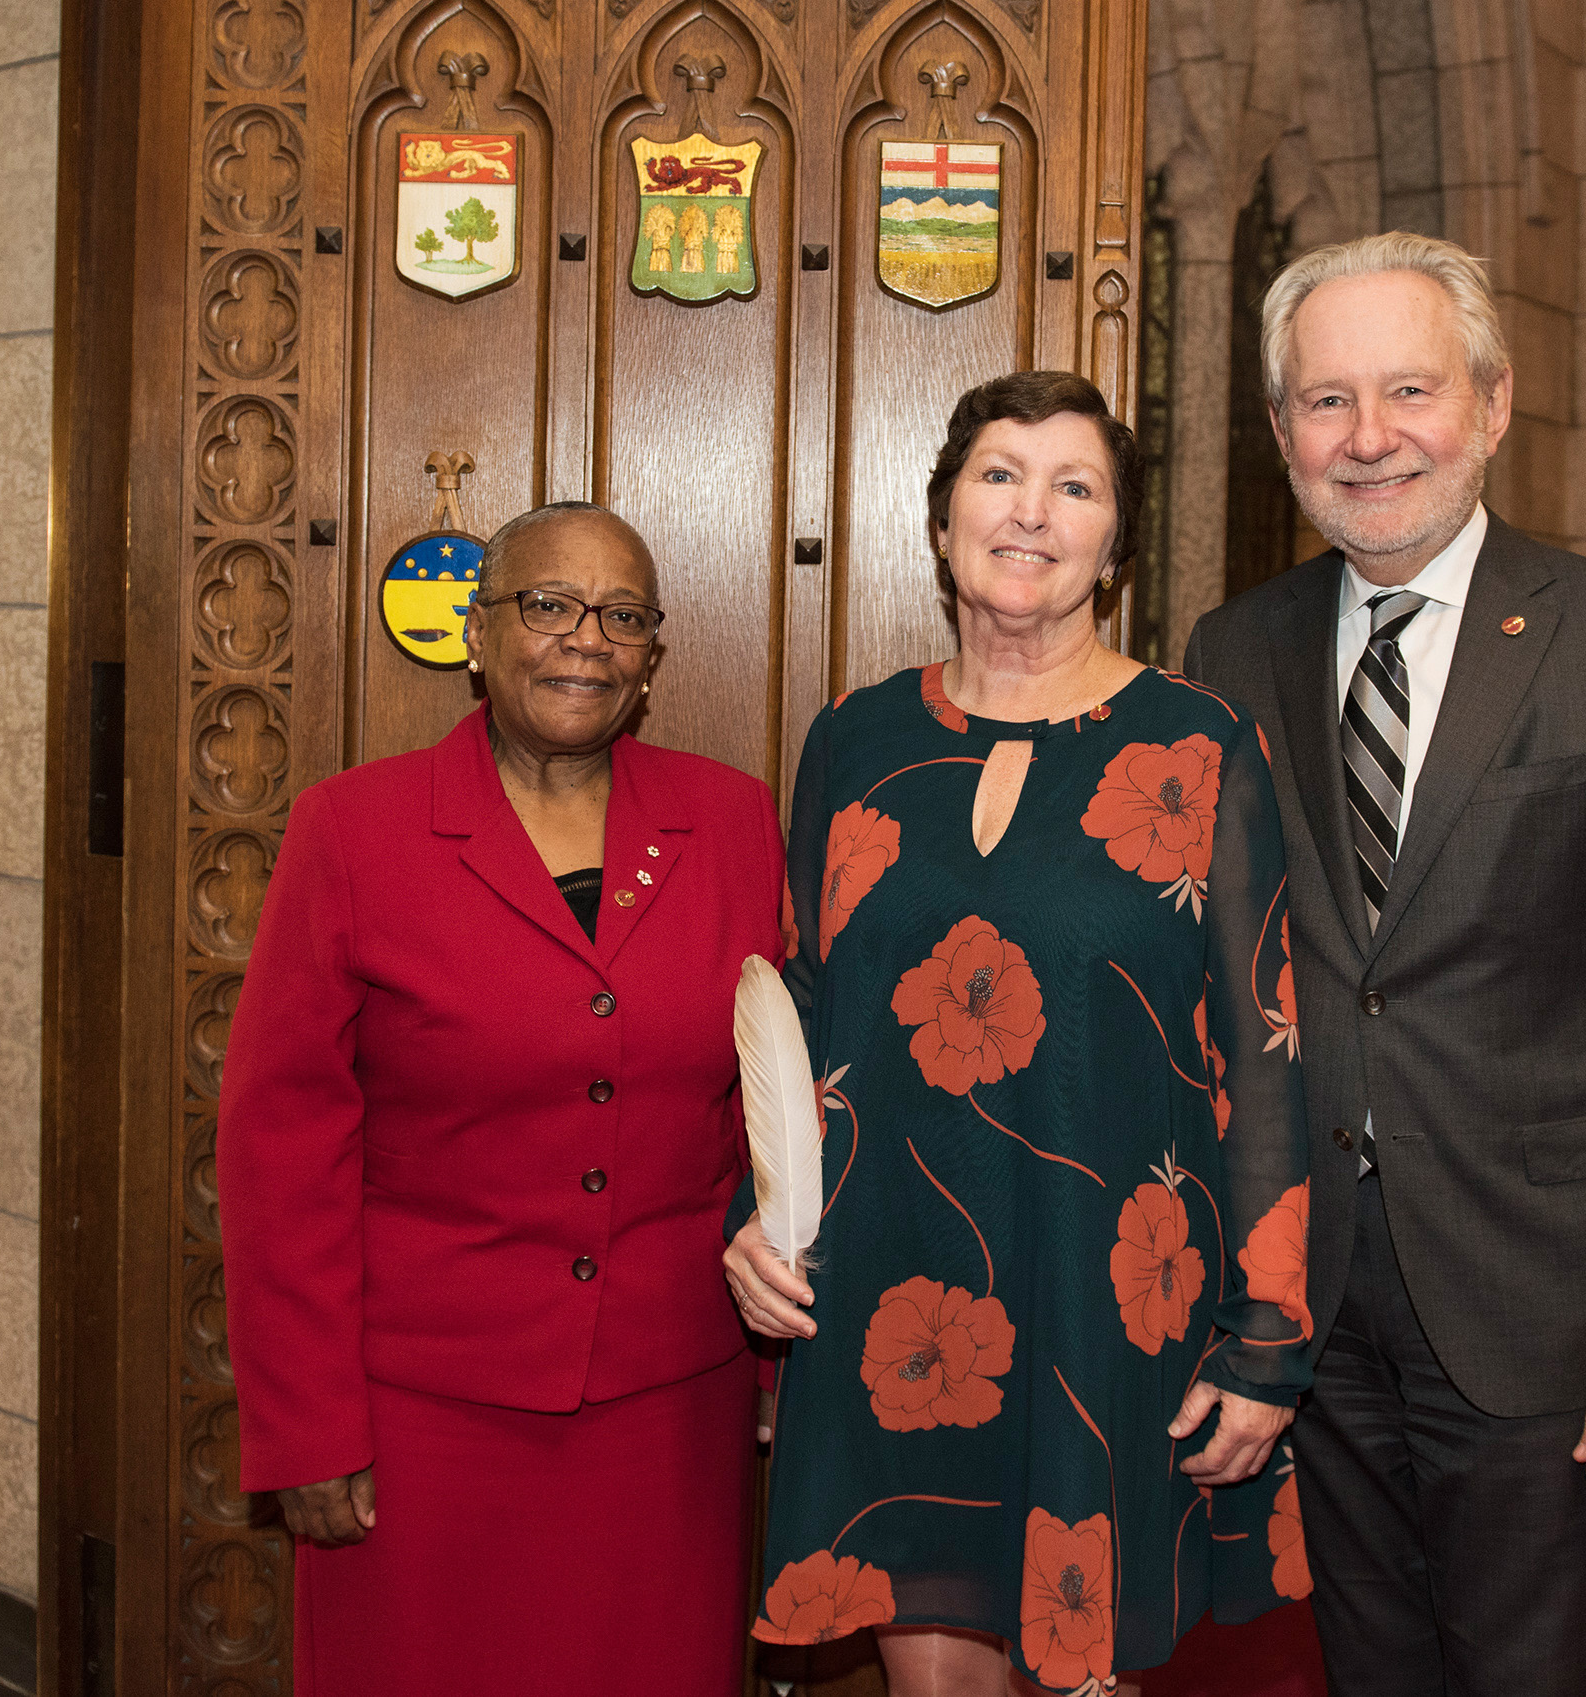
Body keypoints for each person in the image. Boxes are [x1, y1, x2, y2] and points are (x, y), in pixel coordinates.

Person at [1182, 233, 1586, 1696]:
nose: (1369, 437)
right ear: (1280, 435)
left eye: (1409, 389)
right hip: (1310, 1300)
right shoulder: (1229, 649)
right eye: (1326, 402)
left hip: (1548, 1314)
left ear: (1495, 404)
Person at [728, 372, 1313, 1696]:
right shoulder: (855, 740)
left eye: (1076, 485)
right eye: (998, 475)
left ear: (1116, 539)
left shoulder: (1203, 744)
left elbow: (1264, 1046)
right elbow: (807, 1010)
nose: (1032, 512)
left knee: (1077, 1673)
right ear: (942, 523)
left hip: (1103, 1294)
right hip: (883, 1289)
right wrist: (757, 1216)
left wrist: (1270, 1333)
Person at [218, 501, 786, 1695]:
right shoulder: (353, 831)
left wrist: (789, 1361)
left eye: (622, 616)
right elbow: (282, 1148)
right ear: (478, 634)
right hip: (420, 1421)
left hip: (666, 1418)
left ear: (651, 658)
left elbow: (769, 1116)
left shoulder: (730, 821)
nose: (585, 637)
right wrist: (308, 1428)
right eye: (547, 604)